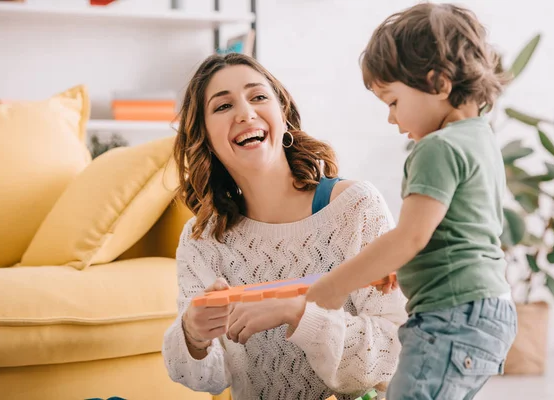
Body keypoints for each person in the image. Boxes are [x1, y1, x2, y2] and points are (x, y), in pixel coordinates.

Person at [162, 52, 407, 400]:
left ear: (283, 115)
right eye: (222, 106)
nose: (246, 113)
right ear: (205, 137)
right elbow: (209, 377)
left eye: (258, 96)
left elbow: (394, 349)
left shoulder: (354, 208)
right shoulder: (202, 240)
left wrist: (297, 314)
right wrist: (193, 334)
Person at [305, 3, 518, 399]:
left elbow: (410, 237)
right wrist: (400, 265)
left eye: (393, 102)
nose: (391, 118)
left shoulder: (437, 148)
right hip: (487, 310)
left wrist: (334, 286)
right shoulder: (479, 137)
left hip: (450, 315)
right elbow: (455, 233)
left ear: (437, 83)